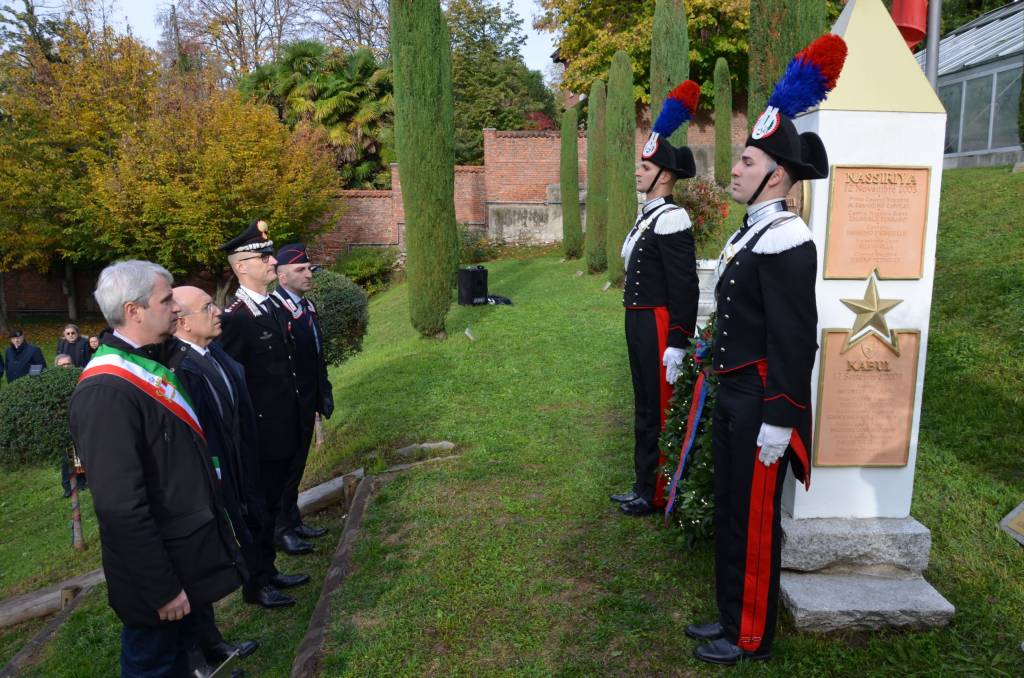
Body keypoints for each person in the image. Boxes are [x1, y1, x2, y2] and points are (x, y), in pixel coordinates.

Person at [687, 35, 847, 665]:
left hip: (761, 403)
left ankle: (749, 634)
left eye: (747, 163)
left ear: (777, 174)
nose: (734, 169)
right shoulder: (754, 233)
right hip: (735, 394)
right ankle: (730, 614)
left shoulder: (786, 240)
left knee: (754, 523)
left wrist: (781, 417)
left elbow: (793, 337)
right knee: (732, 510)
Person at [68, 260, 244, 677]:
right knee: (154, 664)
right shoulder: (105, 392)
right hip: (155, 577)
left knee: (180, 658)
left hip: (181, 553)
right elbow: (120, 508)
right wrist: (161, 588)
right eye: (166, 300)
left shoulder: (151, 361)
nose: (177, 309)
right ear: (134, 311)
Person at [609, 81, 701, 517]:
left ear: (664, 174)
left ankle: (659, 491)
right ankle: (643, 483)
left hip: (660, 322)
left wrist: (678, 342)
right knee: (644, 403)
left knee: (659, 406)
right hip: (638, 319)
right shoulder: (649, 217)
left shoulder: (672, 218)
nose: (637, 172)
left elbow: (685, 285)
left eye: (644, 168)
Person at [217, 219, 310, 607]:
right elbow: (230, 381)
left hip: (282, 427)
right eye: (263, 256)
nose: (273, 261)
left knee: (273, 505)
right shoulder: (236, 316)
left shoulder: (270, 305)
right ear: (241, 266)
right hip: (258, 434)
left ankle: (269, 570)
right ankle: (257, 584)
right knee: (257, 511)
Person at [172, 285, 266, 669]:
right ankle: (194, 655)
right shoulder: (180, 367)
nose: (219, 312)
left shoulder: (211, 354)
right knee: (193, 568)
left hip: (230, 470)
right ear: (182, 322)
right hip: (200, 485)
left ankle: (212, 643)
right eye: (208, 307)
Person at [270, 243, 333, 550]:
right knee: (285, 470)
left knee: (298, 466)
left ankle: (293, 521)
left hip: (307, 402)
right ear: (282, 277)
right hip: (286, 407)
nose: (309, 274)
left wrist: (323, 392)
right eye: (301, 270)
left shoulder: (306, 306)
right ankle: (281, 529)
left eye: (309, 269)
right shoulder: (275, 311)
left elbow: (315, 356)